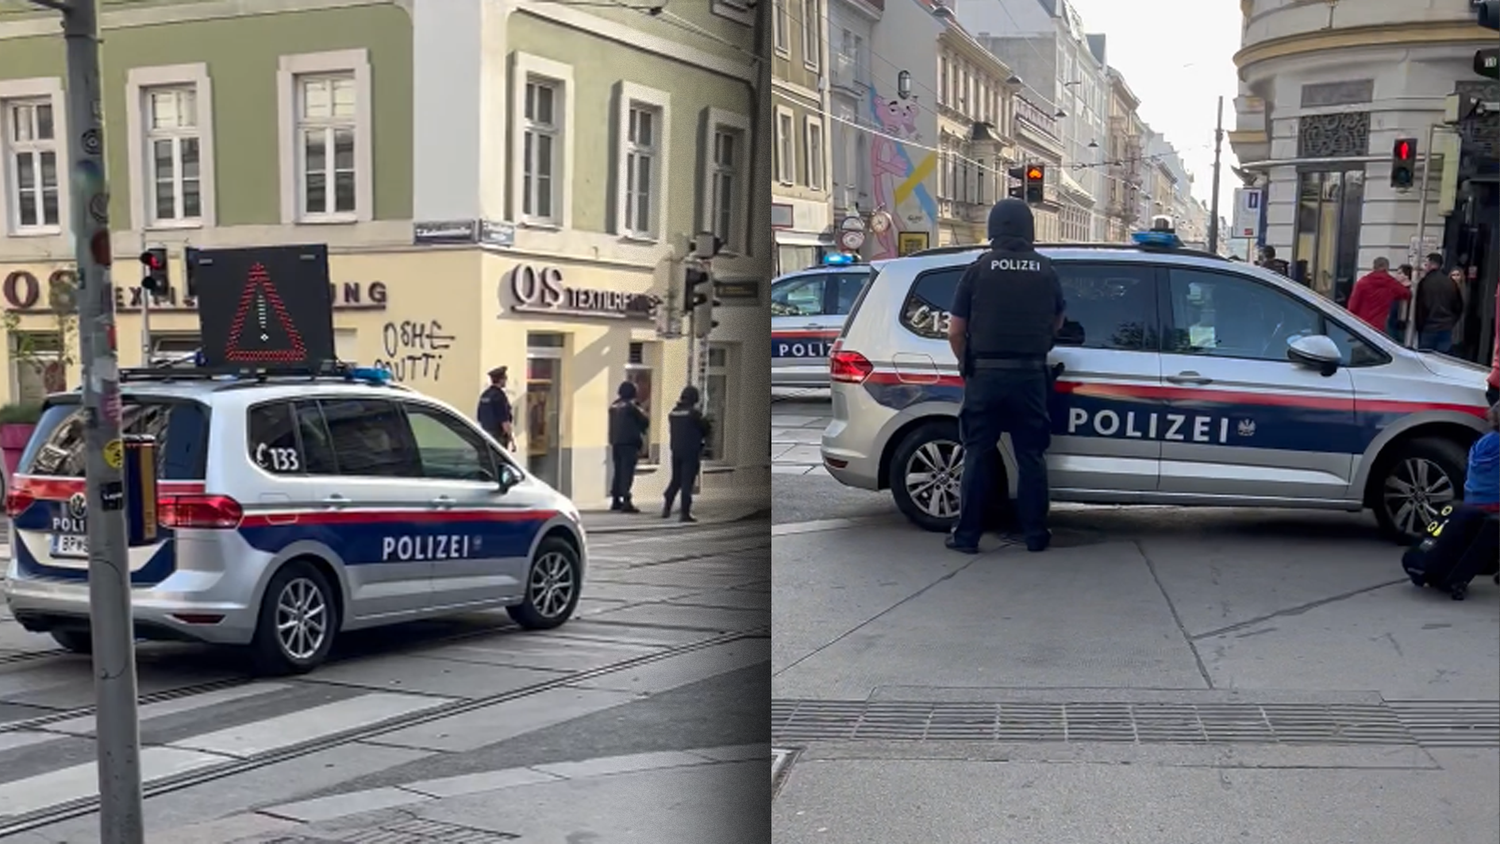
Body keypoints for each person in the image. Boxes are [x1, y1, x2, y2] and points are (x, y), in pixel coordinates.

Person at [945, 197, 1064, 554]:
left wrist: (968, 364)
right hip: (1029, 377)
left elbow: (955, 330)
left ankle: (967, 537)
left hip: (985, 376)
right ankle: (1035, 535)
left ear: (994, 229)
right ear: (1028, 228)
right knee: (1031, 457)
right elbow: (1058, 319)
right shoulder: (1046, 270)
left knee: (978, 455)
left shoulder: (978, 269)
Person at [663, 385, 709, 522]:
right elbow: (705, 428)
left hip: (676, 450)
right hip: (691, 451)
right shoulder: (693, 414)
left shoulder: (674, 412)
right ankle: (685, 513)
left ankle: (667, 507)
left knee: (676, 480)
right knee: (687, 483)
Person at [607, 381, 649, 513]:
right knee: (627, 473)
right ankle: (626, 501)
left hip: (616, 442)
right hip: (629, 443)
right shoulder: (632, 406)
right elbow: (645, 421)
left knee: (618, 472)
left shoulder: (614, 405)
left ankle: (615, 500)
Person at [1413, 252, 1463, 353]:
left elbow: (1420, 308)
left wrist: (1419, 327)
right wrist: (1451, 322)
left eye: (1426, 264)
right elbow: (1458, 306)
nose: (1424, 267)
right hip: (1445, 327)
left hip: (1429, 327)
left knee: (1425, 358)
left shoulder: (1425, 282)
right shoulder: (1450, 283)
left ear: (1431, 264)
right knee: (1442, 358)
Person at [1346, 257, 1411, 331]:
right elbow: (1406, 294)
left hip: (1361, 325)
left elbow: (1352, 306)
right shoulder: (1391, 283)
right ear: (1386, 268)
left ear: (1373, 267)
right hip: (1378, 327)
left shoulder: (1362, 282)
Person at [476, 366, 515, 451]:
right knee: (499, 461)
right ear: (501, 380)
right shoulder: (499, 396)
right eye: (505, 379)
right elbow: (504, 420)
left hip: (485, 435)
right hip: (498, 436)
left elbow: (479, 417)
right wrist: (511, 439)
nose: (506, 381)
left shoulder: (485, 395)